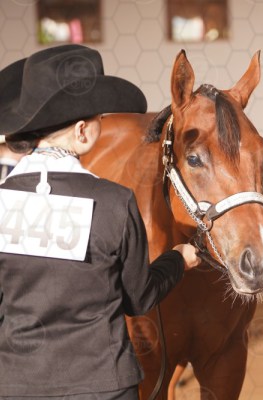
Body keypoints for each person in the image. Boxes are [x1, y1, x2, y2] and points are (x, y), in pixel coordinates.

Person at [0, 44, 200, 400]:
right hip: (103, 385)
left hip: (16, 384)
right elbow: (139, 298)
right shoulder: (114, 202)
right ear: (81, 131)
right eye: (99, 117)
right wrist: (178, 259)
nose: (102, 122)